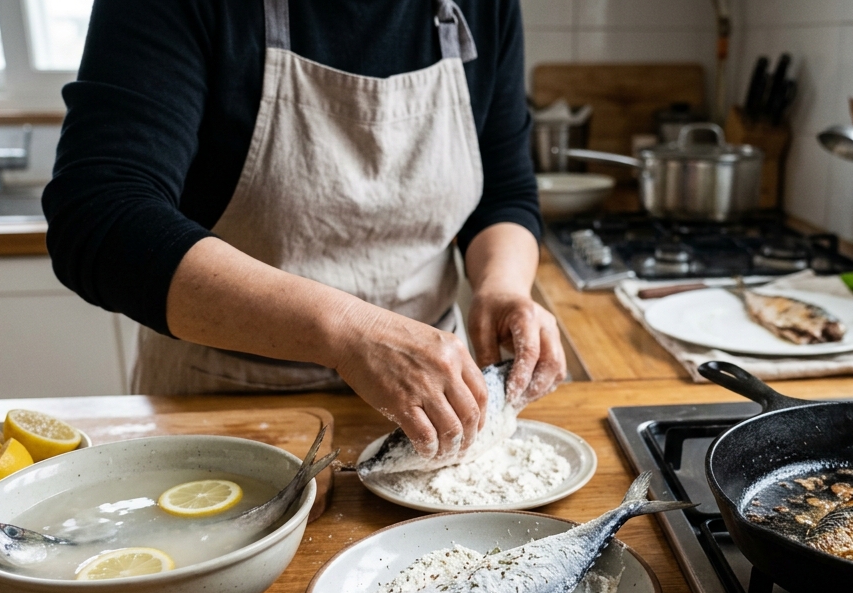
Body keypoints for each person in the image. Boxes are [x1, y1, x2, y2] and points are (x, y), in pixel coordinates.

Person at [43, 0, 565, 460]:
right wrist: (347, 330)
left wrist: (502, 286)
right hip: (226, 406)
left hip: (433, 400)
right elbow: (100, 218)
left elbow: (503, 192)